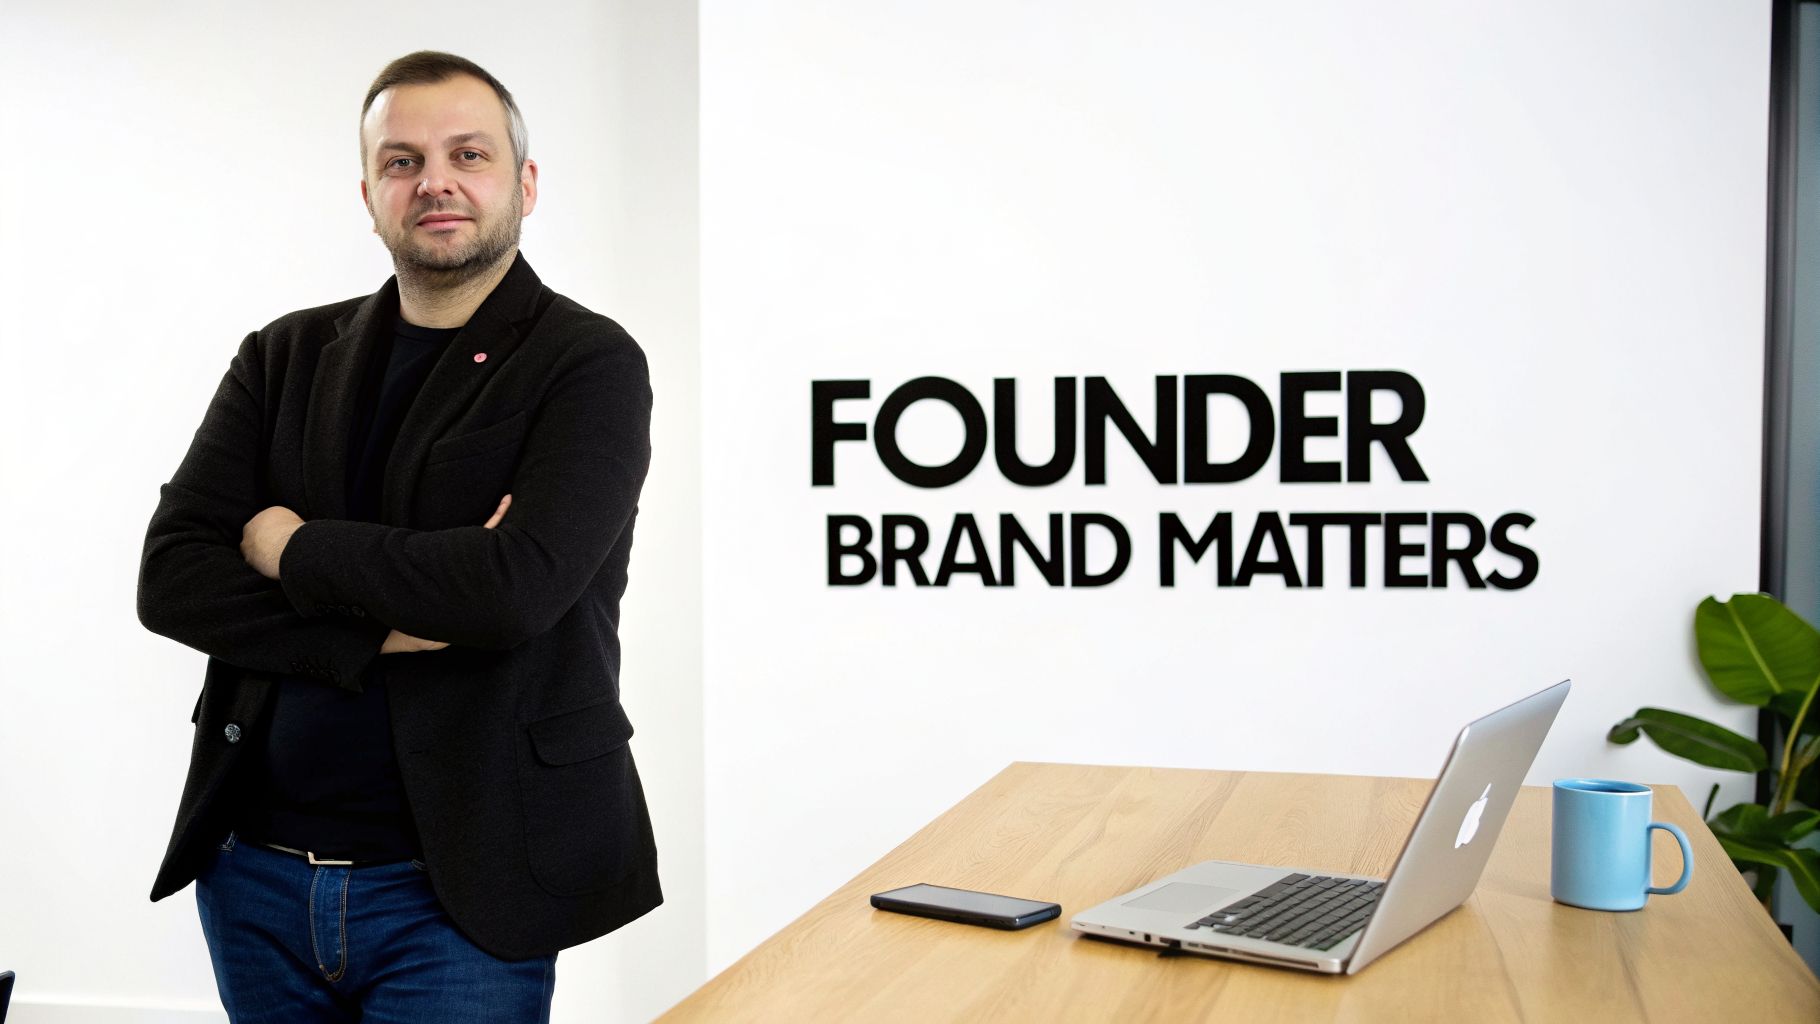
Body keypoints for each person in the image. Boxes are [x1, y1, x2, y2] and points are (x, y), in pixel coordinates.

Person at [135, 51, 659, 1022]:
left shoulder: (585, 363)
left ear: (524, 181)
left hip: (458, 887)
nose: (436, 181)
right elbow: (172, 578)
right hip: (255, 877)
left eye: (469, 153)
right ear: (371, 192)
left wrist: (290, 547)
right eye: (403, 160)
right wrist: (376, 627)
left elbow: (509, 590)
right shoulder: (283, 354)